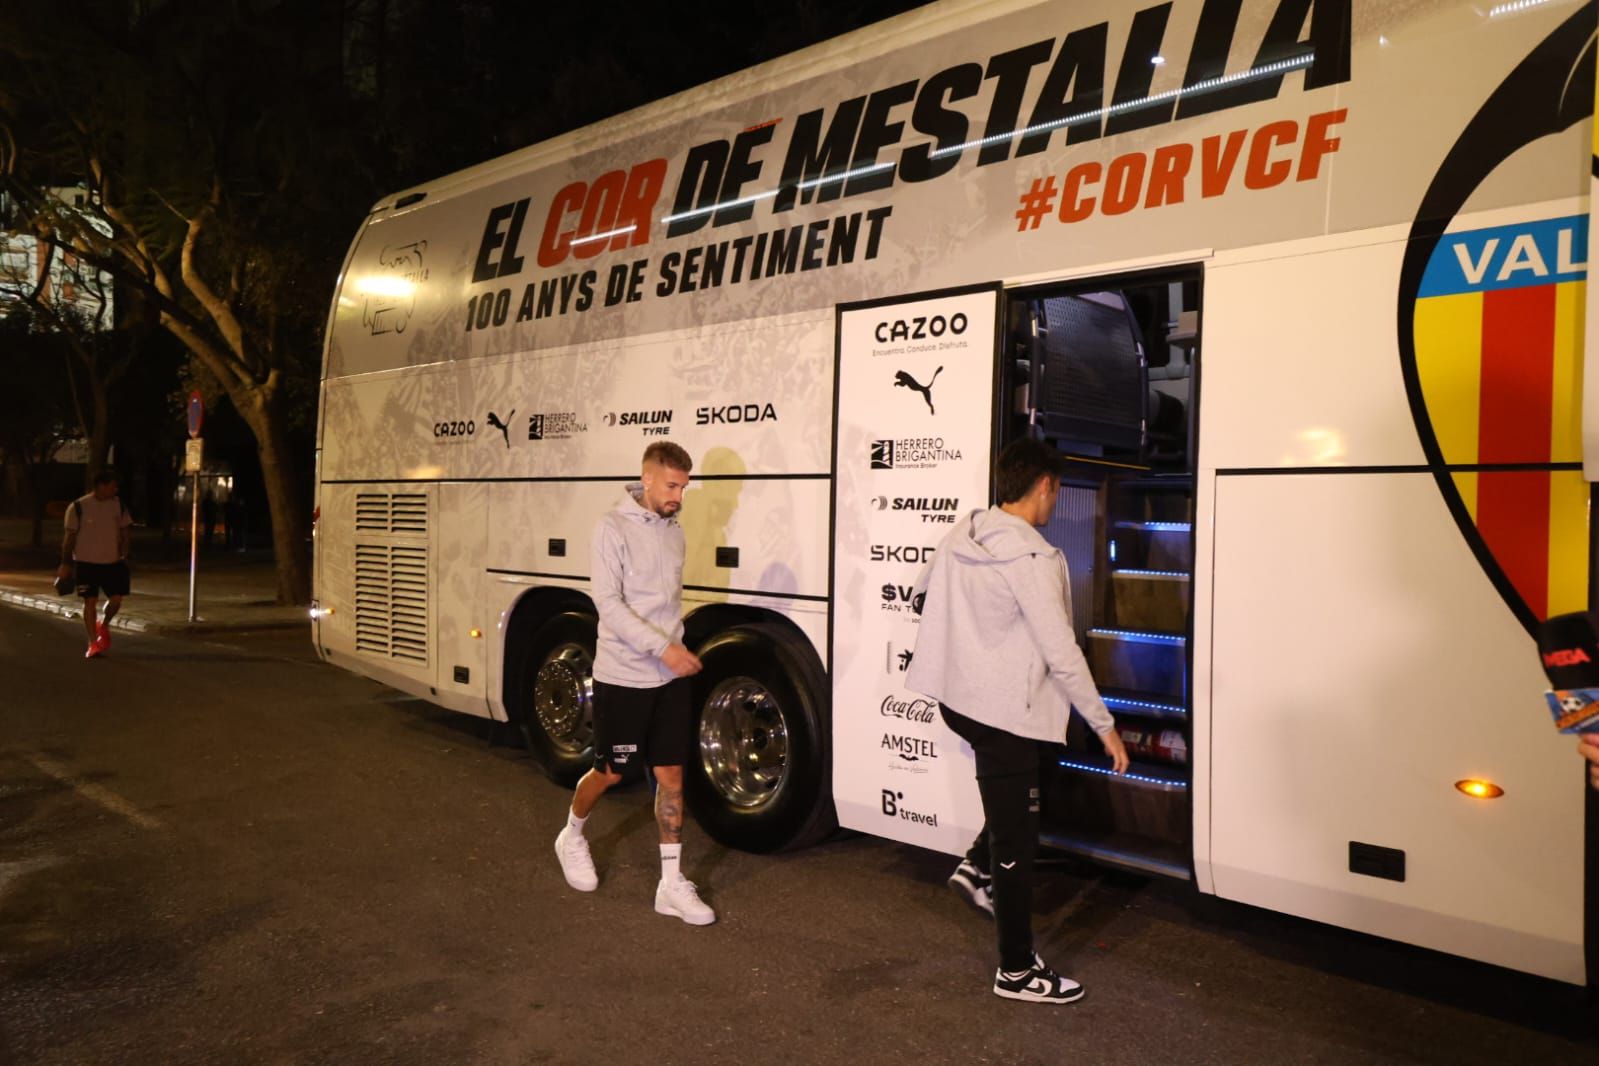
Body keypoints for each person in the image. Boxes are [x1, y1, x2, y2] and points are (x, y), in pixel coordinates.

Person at [906, 436, 1129, 1004]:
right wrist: (1103, 725)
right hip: (1001, 712)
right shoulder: (1033, 555)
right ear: (1046, 486)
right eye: (1056, 491)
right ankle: (1016, 971)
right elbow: (1061, 649)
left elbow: (919, 594)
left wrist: (977, 637)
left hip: (959, 701)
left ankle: (978, 867)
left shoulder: (966, 530)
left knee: (1044, 757)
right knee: (1019, 837)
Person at [553, 441, 715, 925]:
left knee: (671, 777)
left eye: (684, 487)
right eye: (671, 485)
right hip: (623, 676)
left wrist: (675, 651)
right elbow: (610, 604)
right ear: (646, 479)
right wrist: (662, 648)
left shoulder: (674, 532)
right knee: (611, 772)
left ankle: (670, 884)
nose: (678, 496)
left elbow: (666, 605)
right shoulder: (612, 527)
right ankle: (572, 835)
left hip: (667, 679)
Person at [57, 468, 133, 660]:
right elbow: (69, 537)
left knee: (116, 600)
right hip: (86, 562)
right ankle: (93, 643)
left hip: (113, 563)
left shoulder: (118, 506)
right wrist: (65, 563)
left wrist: (125, 554)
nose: (115, 490)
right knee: (89, 601)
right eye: (112, 486)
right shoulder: (78, 507)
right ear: (101, 486)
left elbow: (125, 532)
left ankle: (104, 624)